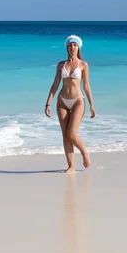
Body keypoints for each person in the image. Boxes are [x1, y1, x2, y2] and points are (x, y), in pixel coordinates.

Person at [44, 34, 95, 173]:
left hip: (78, 101)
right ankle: (71, 166)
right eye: (70, 45)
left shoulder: (83, 65)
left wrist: (91, 105)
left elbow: (86, 86)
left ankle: (85, 153)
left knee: (71, 134)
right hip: (62, 101)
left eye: (75, 45)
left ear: (78, 47)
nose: (72, 47)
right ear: (67, 47)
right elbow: (55, 84)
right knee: (65, 135)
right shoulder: (62, 65)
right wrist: (48, 103)